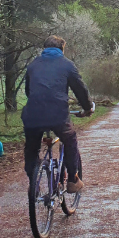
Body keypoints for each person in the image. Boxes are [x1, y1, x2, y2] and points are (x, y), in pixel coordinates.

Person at [22, 35, 93, 193]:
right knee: (70, 139)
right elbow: (80, 90)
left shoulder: (33, 65)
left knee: (32, 148)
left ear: (45, 48)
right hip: (58, 115)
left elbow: (28, 92)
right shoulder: (67, 65)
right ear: (62, 49)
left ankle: (33, 180)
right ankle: (73, 180)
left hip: (33, 114)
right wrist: (88, 108)